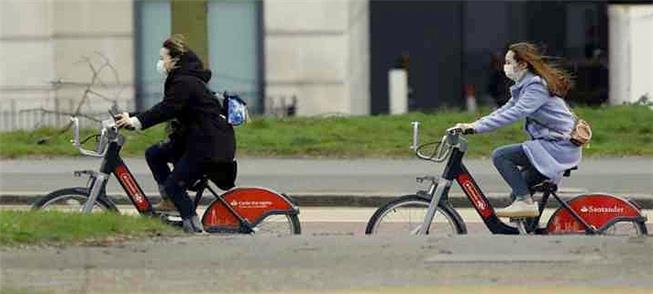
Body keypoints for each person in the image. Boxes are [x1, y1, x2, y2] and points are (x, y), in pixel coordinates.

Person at [116, 35, 236, 232]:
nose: (160, 63)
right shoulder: (183, 80)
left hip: (208, 146)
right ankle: (170, 201)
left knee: (175, 185)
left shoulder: (184, 81)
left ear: (175, 59)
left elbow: (168, 109)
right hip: (196, 140)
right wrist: (129, 117)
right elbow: (170, 108)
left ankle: (194, 227)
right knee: (154, 154)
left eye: (163, 58)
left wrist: (137, 121)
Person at [452, 42, 581, 218]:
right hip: (551, 146)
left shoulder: (536, 87)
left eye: (508, 62)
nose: (505, 67)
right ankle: (528, 229)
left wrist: (476, 128)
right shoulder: (525, 87)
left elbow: (516, 112)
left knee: (501, 156)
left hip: (559, 147)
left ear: (522, 64)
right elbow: (505, 109)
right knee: (518, 192)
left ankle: (525, 202)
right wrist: (473, 125)